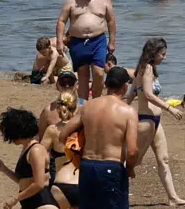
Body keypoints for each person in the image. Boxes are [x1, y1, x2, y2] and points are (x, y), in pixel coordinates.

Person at [59, 68, 141, 209]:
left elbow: (63, 135)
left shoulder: (88, 106)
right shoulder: (128, 112)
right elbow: (132, 151)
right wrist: (130, 168)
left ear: (105, 84)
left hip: (87, 166)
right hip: (112, 167)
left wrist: (77, 152)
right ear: (125, 87)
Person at [128, 38, 185, 205]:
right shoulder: (146, 69)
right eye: (162, 54)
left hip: (156, 121)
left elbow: (131, 94)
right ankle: (115, 193)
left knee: (164, 159)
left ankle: (173, 198)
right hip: (145, 121)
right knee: (134, 162)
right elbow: (147, 94)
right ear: (153, 53)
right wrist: (169, 108)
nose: (165, 56)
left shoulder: (147, 69)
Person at [56, 0, 117, 100]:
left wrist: (112, 41)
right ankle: (83, 104)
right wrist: (60, 42)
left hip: (98, 40)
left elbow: (111, 20)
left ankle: (96, 100)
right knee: (83, 75)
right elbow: (62, 21)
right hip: (78, 41)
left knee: (99, 73)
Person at [0, 108, 57, 209]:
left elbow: (39, 184)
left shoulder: (36, 150)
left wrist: (15, 199)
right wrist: (4, 169)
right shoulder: (26, 149)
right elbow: (23, 181)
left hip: (42, 204)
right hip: (30, 203)